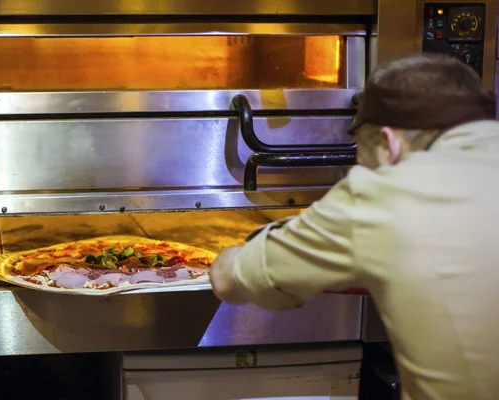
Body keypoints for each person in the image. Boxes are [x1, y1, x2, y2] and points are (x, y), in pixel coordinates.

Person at [209, 53, 499, 400]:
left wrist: (233, 254)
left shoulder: (383, 191)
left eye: (364, 161)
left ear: (391, 143)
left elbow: (229, 280)